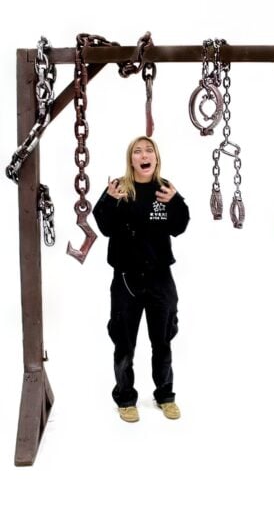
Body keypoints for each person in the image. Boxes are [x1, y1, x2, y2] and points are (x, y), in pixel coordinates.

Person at [93, 136, 190, 423]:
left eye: (149, 151)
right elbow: (104, 226)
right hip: (126, 280)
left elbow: (180, 226)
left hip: (160, 278)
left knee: (163, 341)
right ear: (131, 159)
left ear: (156, 158)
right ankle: (125, 398)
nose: (144, 155)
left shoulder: (165, 189)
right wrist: (110, 200)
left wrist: (175, 202)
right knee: (124, 344)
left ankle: (165, 395)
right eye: (137, 151)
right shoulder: (118, 188)